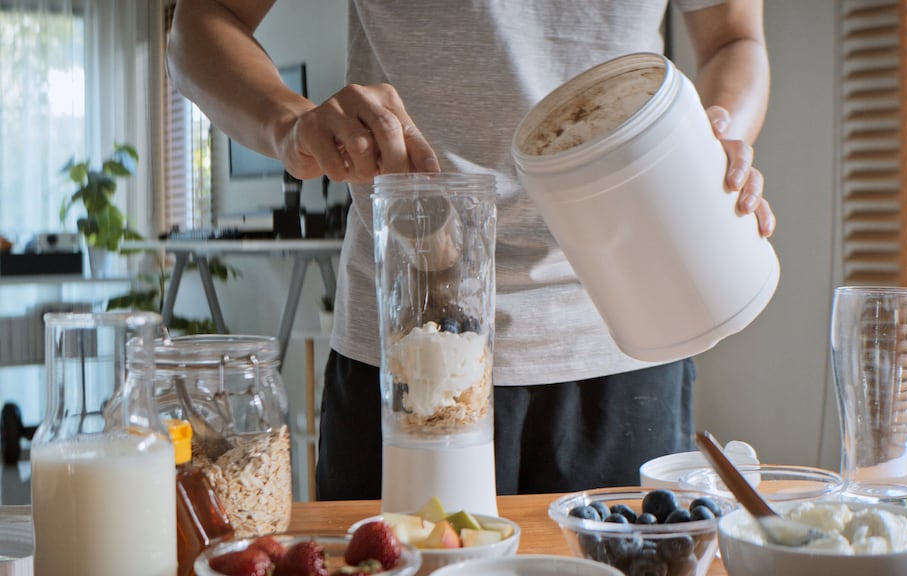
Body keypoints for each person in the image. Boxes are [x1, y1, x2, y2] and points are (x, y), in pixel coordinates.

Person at [168, 0, 773, 499]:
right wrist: (288, 125)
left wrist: (715, 136)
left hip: (626, 335)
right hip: (405, 342)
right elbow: (200, 22)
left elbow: (732, 38)